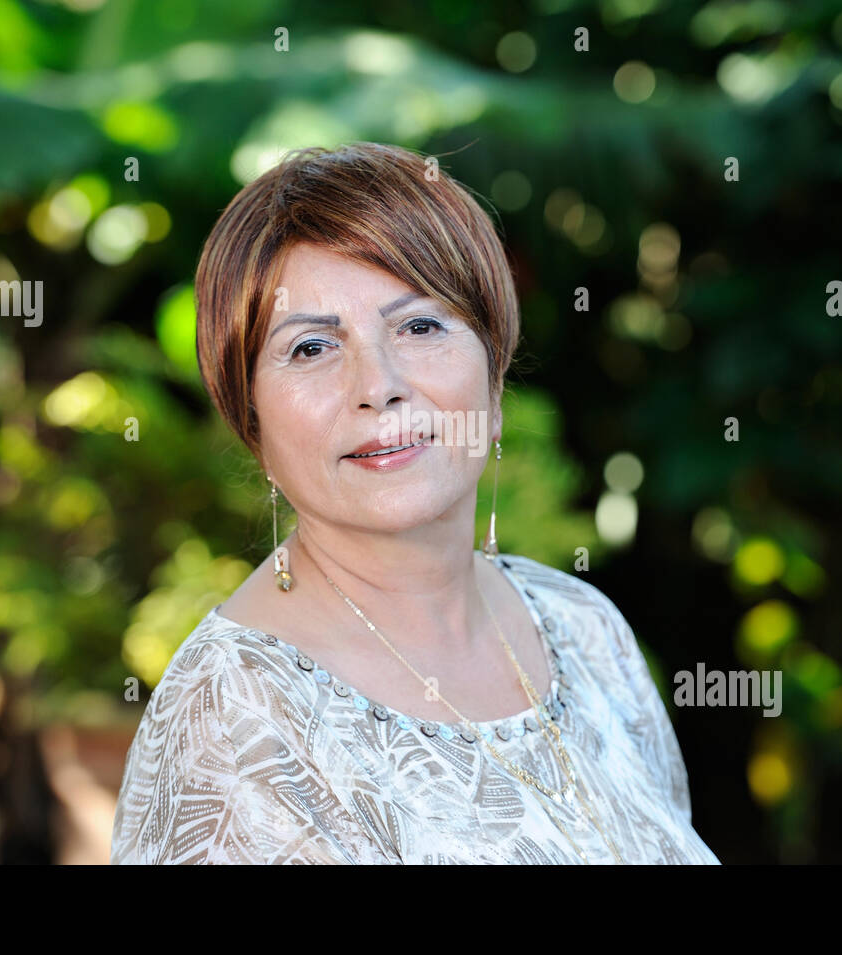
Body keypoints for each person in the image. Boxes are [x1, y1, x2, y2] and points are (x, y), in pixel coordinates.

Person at [110, 142, 720, 864]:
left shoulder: (585, 631)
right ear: (252, 424)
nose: (380, 383)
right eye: (310, 347)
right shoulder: (231, 719)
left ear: (494, 378)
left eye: (421, 325)